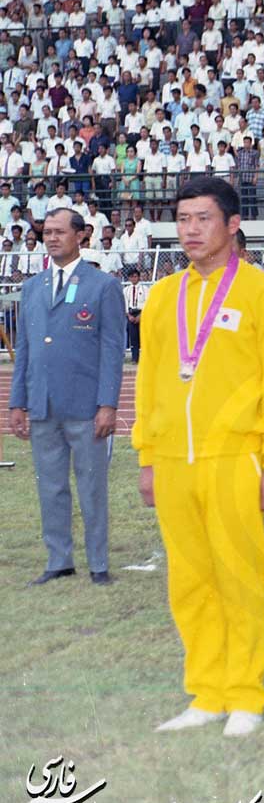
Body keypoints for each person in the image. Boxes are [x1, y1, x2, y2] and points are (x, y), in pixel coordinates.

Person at [133, 177, 264, 736]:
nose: (190, 230)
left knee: (240, 579)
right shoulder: (162, 297)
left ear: (232, 225)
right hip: (176, 464)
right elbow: (153, 382)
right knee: (190, 582)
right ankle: (206, 692)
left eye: (203, 218)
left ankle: (246, 695)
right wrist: (148, 457)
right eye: (183, 220)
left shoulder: (262, 294)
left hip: (236, 459)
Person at [9, 208, 125, 586]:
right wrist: (17, 403)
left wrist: (108, 404)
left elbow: (111, 350)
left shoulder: (103, 286)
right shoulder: (33, 287)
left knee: (92, 487)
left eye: (60, 232)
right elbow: (24, 350)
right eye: (47, 233)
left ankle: (98, 563)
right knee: (50, 485)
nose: (52, 238)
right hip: (43, 406)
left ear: (81, 235)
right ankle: (59, 560)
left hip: (86, 408)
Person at [124, 267, 147, 362]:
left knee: (144, 337)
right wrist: (129, 316)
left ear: (139, 277)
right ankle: (135, 358)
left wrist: (141, 316)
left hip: (142, 313)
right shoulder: (126, 290)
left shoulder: (145, 289)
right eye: (131, 277)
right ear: (129, 278)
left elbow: (147, 303)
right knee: (133, 338)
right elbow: (125, 304)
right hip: (131, 314)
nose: (133, 279)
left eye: (135, 276)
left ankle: (146, 358)